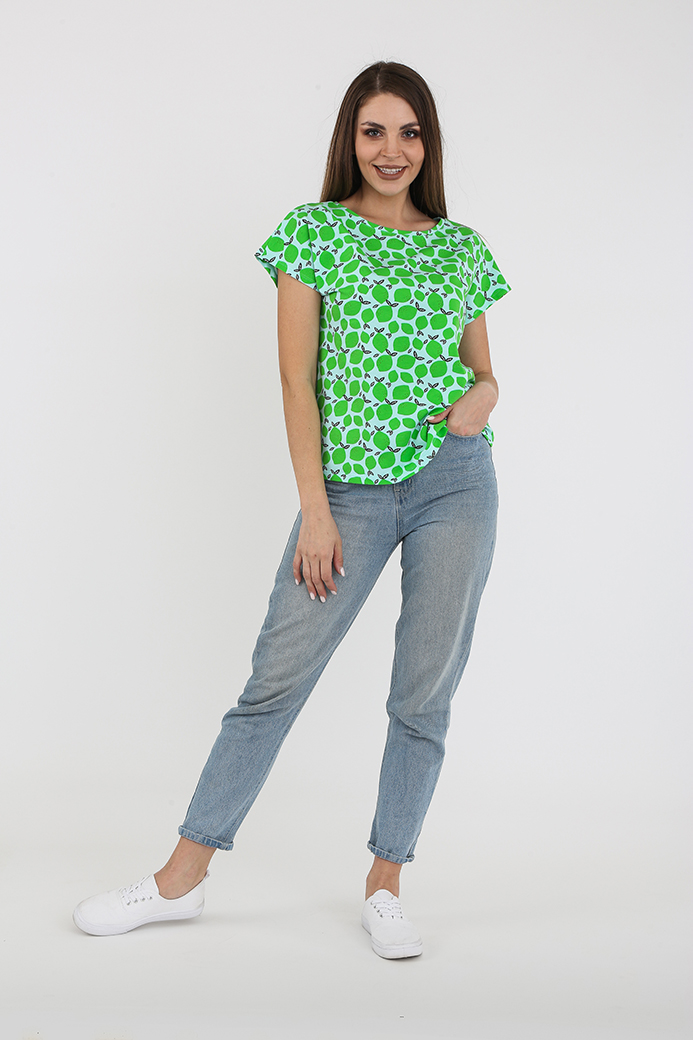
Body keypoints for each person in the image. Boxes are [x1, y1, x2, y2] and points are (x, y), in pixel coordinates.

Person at [73, 60, 511, 960]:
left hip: (455, 480)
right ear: (350, 138)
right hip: (347, 492)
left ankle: (385, 883)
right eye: (373, 131)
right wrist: (314, 508)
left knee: (423, 693)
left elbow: (483, 371)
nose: (390, 150)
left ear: (427, 144)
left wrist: (483, 397)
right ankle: (180, 877)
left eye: (408, 133)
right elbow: (295, 383)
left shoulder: (460, 247)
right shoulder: (313, 234)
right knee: (273, 684)